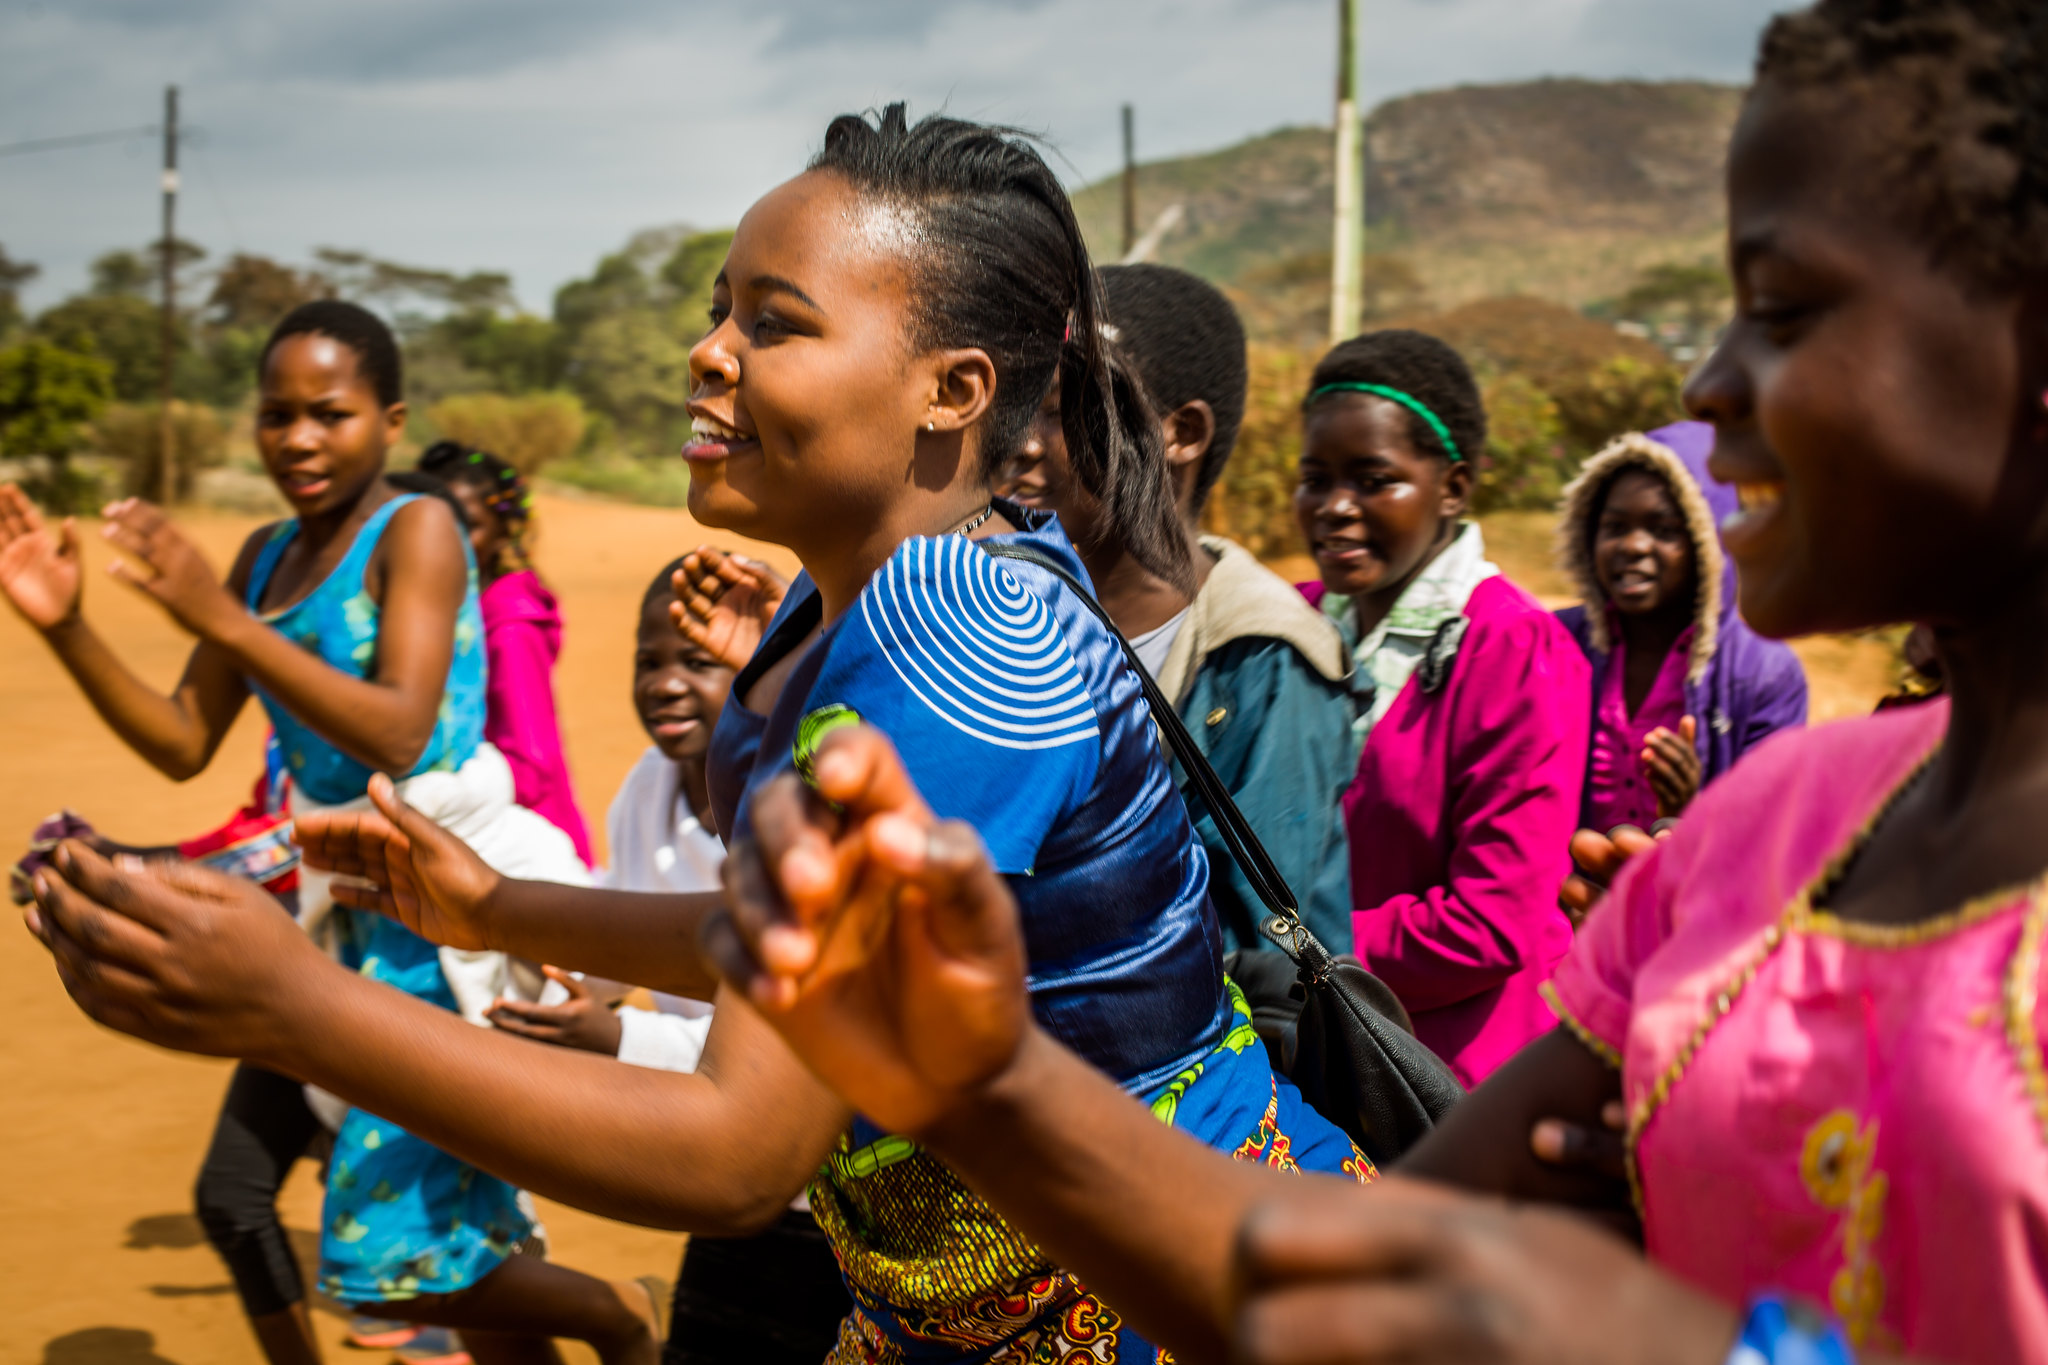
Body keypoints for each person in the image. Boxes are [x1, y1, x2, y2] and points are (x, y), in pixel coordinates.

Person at [553, 3, 2048, 1360]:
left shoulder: (1043, 622)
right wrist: (995, 1077)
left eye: (1782, 312)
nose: (1711, 386)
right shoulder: (1770, 834)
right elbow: (1387, 1262)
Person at [22, 106, 1373, 1365]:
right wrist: (491, 904)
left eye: (774, 322)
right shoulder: (904, 597)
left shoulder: (968, 632)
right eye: (719, 309)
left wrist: (302, 1009)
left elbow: (738, 1150)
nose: (709, 350)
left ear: (953, 388)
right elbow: (788, 941)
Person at [0, 299, 657, 1365]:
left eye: (329, 413)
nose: (298, 439)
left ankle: (619, 1316)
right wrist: (68, 624)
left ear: (389, 421)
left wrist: (220, 622)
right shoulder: (262, 559)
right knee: (433, 1243)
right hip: (334, 921)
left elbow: (400, 727)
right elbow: (180, 739)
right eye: (275, 415)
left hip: (439, 918)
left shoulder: (419, 530)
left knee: (386, 1259)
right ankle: (605, 1321)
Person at [486, 557, 853, 1365]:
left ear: (767, 680)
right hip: (729, 1175)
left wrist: (618, 1040)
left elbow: (784, 1044)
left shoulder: (802, 807)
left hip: (841, 1194)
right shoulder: (649, 784)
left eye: (698, 660)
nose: (665, 683)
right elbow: (619, 927)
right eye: (648, 661)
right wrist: (561, 990)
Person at [994, 263, 1354, 954]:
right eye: (1020, 407)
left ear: (1180, 432)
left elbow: (1263, 948)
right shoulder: (1009, 613)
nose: (1023, 443)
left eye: (1065, 409)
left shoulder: (1264, 660)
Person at [1294, 329, 1589, 1086]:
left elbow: (1492, 923)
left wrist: (1296, 948)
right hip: (1316, 1040)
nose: (1333, 507)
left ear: (1452, 488)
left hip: (1451, 1074)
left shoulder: (1516, 649)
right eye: (1314, 477)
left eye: (1372, 479)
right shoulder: (1292, 622)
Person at [1554, 422, 1808, 828]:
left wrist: (1690, 811)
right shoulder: (1554, 644)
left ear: (1709, 544)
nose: (1633, 547)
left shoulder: (1765, 675)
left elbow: (1767, 830)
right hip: (1564, 890)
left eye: (1665, 530)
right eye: (1615, 527)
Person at [415, 442, 594, 866]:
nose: (448, 541)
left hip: (523, 854)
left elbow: (530, 767)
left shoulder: (509, 626)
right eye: (434, 523)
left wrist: (430, 792)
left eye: (469, 526)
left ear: (502, 532)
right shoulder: (448, 606)